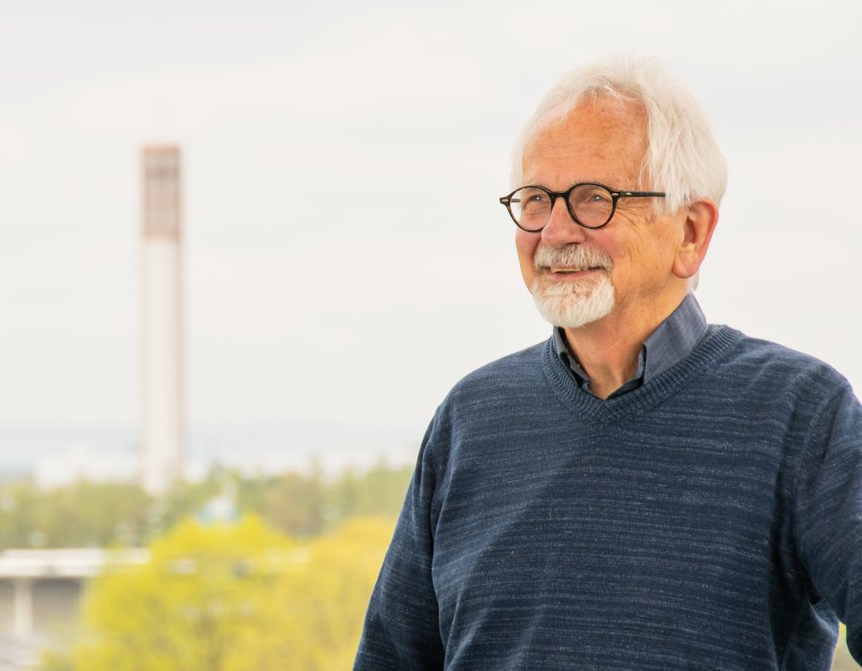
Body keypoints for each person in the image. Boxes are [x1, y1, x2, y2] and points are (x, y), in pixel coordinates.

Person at [354, 57, 862, 670]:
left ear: (692, 233)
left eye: (595, 198)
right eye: (536, 199)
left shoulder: (801, 413)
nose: (556, 230)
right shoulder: (471, 418)